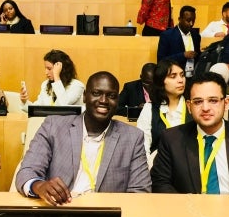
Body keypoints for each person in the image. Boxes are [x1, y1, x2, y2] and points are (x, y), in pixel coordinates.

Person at [15, 71, 151, 204]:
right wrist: (39, 186)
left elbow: (140, 191)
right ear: (85, 96)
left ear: (117, 101)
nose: (103, 101)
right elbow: (27, 171)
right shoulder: (54, 127)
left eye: (111, 95)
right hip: (60, 211)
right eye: (96, 93)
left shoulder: (133, 137)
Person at [137, 60, 191, 159]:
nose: (181, 80)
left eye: (182, 75)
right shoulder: (150, 109)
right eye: (173, 76)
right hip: (158, 168)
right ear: (161, 81)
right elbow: (142, 148)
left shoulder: (192, 106)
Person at [20, 49, 84, 112]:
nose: (46, 72)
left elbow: (63, 105)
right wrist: (25, 102)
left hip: (67, 122)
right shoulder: (45, 84)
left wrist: (56, 75)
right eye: (45, 68)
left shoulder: (77, 86)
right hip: (48, 121)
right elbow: (37, 108)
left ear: (61, 69)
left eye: (49, 69)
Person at [157, 6, 201, 78]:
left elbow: (198, 56)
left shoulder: (196, 35)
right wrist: (183, 55)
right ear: (180, 19)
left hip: (193, 77)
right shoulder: (167, 35)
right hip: (174, 77)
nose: (191, 24)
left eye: (193, 20)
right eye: (188, 20)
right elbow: (161, 60)